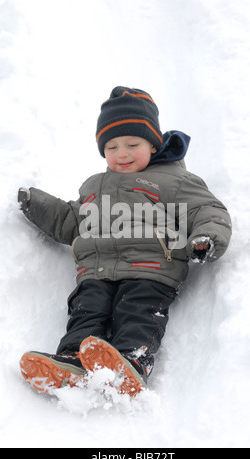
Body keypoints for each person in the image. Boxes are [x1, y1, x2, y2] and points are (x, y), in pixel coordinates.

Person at [19, 86, 232, 397]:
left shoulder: (174, 181)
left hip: (150, 270)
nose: (121, 154)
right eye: (111, 147)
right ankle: (72, 361)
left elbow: (207, 209)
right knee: (86, 312)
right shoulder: (94, 186)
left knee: (136, 311)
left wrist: (206, 238)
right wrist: (36, 204)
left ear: (153, 143)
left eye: (133, 144)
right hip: (96, 272)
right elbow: (71, 221)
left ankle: (131, 360)